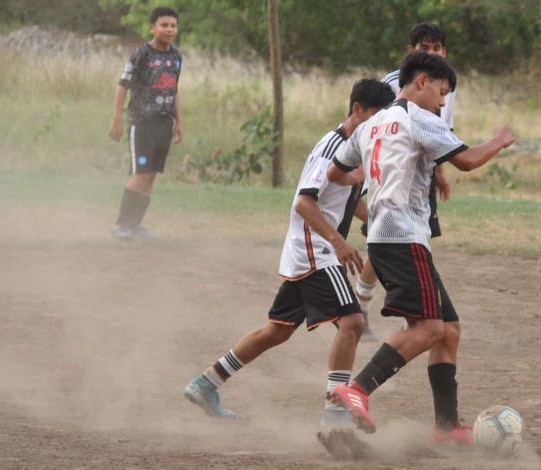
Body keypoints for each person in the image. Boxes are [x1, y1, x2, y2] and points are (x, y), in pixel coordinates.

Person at [183, 80, 396, 431]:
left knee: (277, 330)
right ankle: (334, 413)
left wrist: (379, 221)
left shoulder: (356, 146)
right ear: (357, 109)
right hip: (315, 248)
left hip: (312, 248)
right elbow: (304, 201)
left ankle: (207, 383)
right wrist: (339, 243)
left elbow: (347, 199)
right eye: (374, 116)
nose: (377, 125)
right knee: (354, 322)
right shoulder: (333, 146)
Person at [327, 52, 515, 444]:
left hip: (383, 236)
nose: (443, 103)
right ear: (422, 82)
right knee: (429, 328)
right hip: (403, 238)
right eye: (442, 93)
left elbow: (335, 171)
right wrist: (500, 140)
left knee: (449, 329)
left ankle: (446, 427)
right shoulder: (419, 118)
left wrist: (374, 179)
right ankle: (357, 389)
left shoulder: (371, 124)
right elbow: (466, 160)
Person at [356, 23, 454, 331]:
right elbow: (381, 130)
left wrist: (439, 169)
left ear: (445, 52)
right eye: (424, 48)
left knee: (416, 237)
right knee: (391, 236)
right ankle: (365, 301)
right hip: (392, 175)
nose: (431, 52)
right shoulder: (397, 84)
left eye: (436, 48)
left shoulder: (447, 84)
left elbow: (439, 131)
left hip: (419, 174)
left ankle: (412, 308)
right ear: (411, 52)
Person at [109, 7, 184, 240]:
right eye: (164, 25)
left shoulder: (176, 57)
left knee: (151, 175)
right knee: (141, 173)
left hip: (164, 123)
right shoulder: (142, 53)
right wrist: (117, 118)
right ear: (152, 28)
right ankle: (121, 224)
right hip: (142, 123)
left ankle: (134, 226)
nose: (169, 29)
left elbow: (174, 90)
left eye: (173, 25)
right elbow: (123, 84)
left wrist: (179, 121)